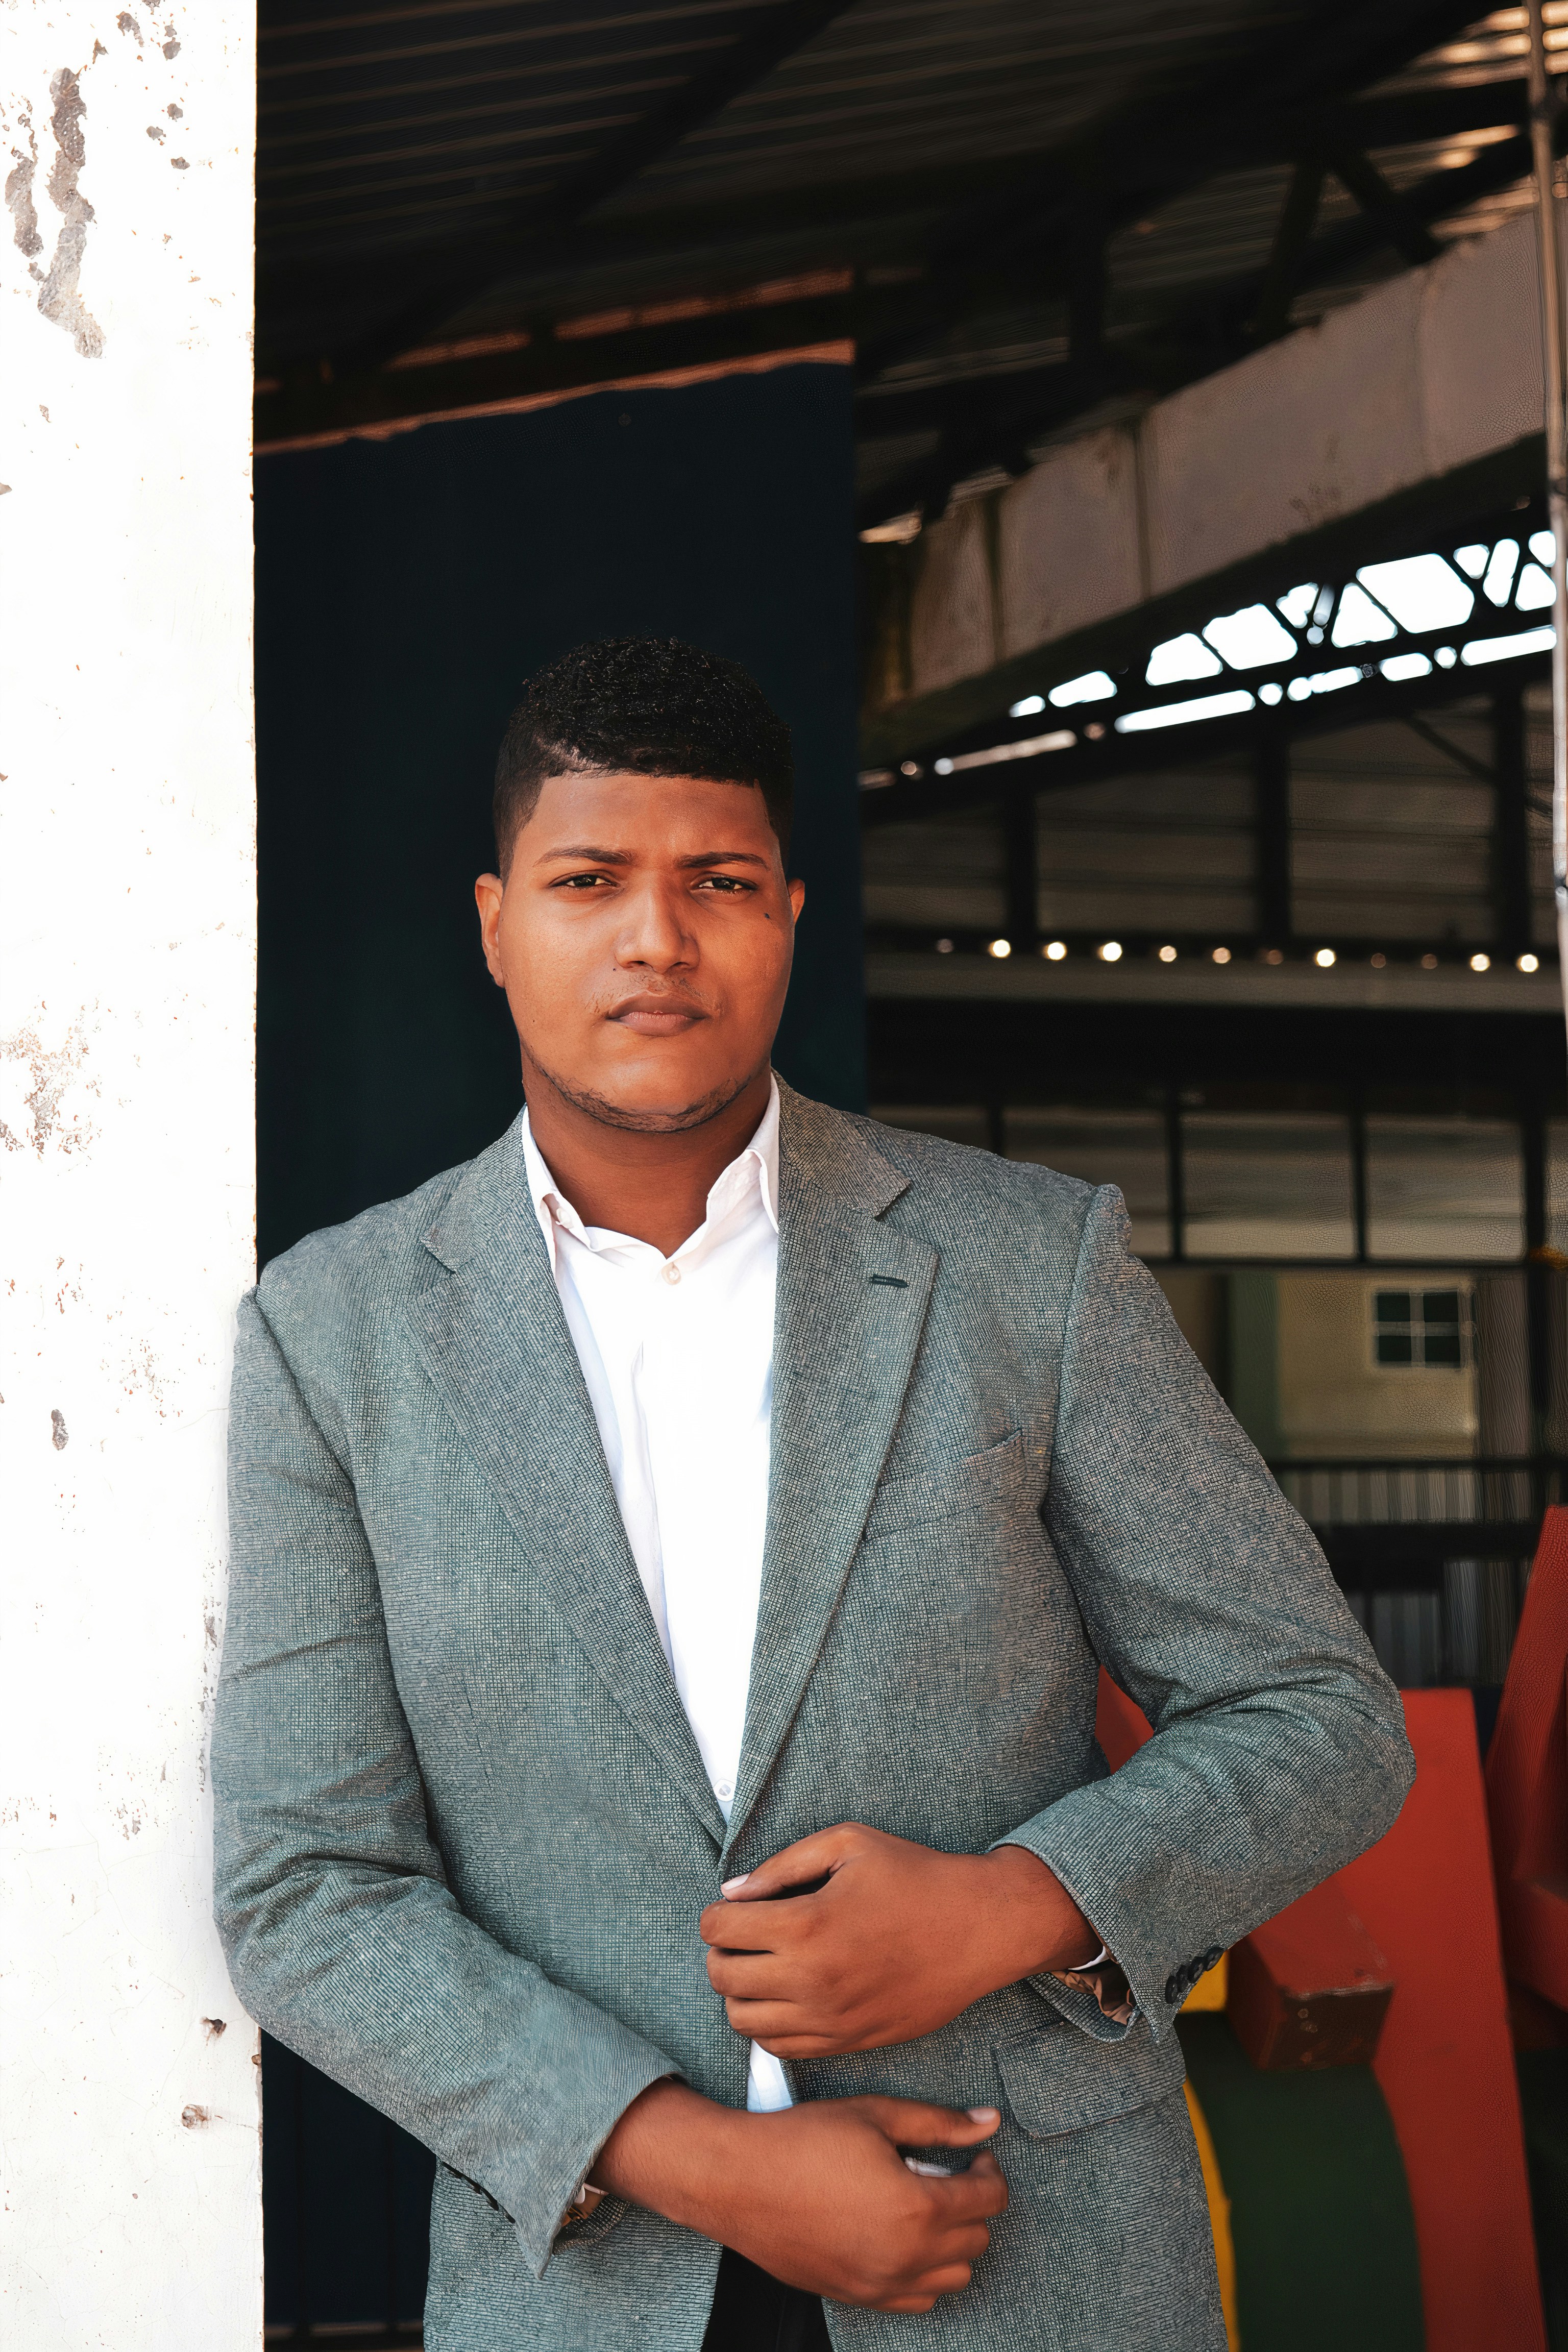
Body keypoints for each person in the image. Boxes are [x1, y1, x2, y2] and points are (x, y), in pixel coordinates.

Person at [214, 636, 1413, 2351]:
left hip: (1035, 2255)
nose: (655, 939)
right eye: (587, 881)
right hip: (587, 2288)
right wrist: (700, 2161)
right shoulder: (331, 1336)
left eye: (717, 882)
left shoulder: (1029, 1268)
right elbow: (307, 1884)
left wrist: (1014, 1907)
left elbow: (1320, 1715)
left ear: (788, 914)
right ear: (494, 924)